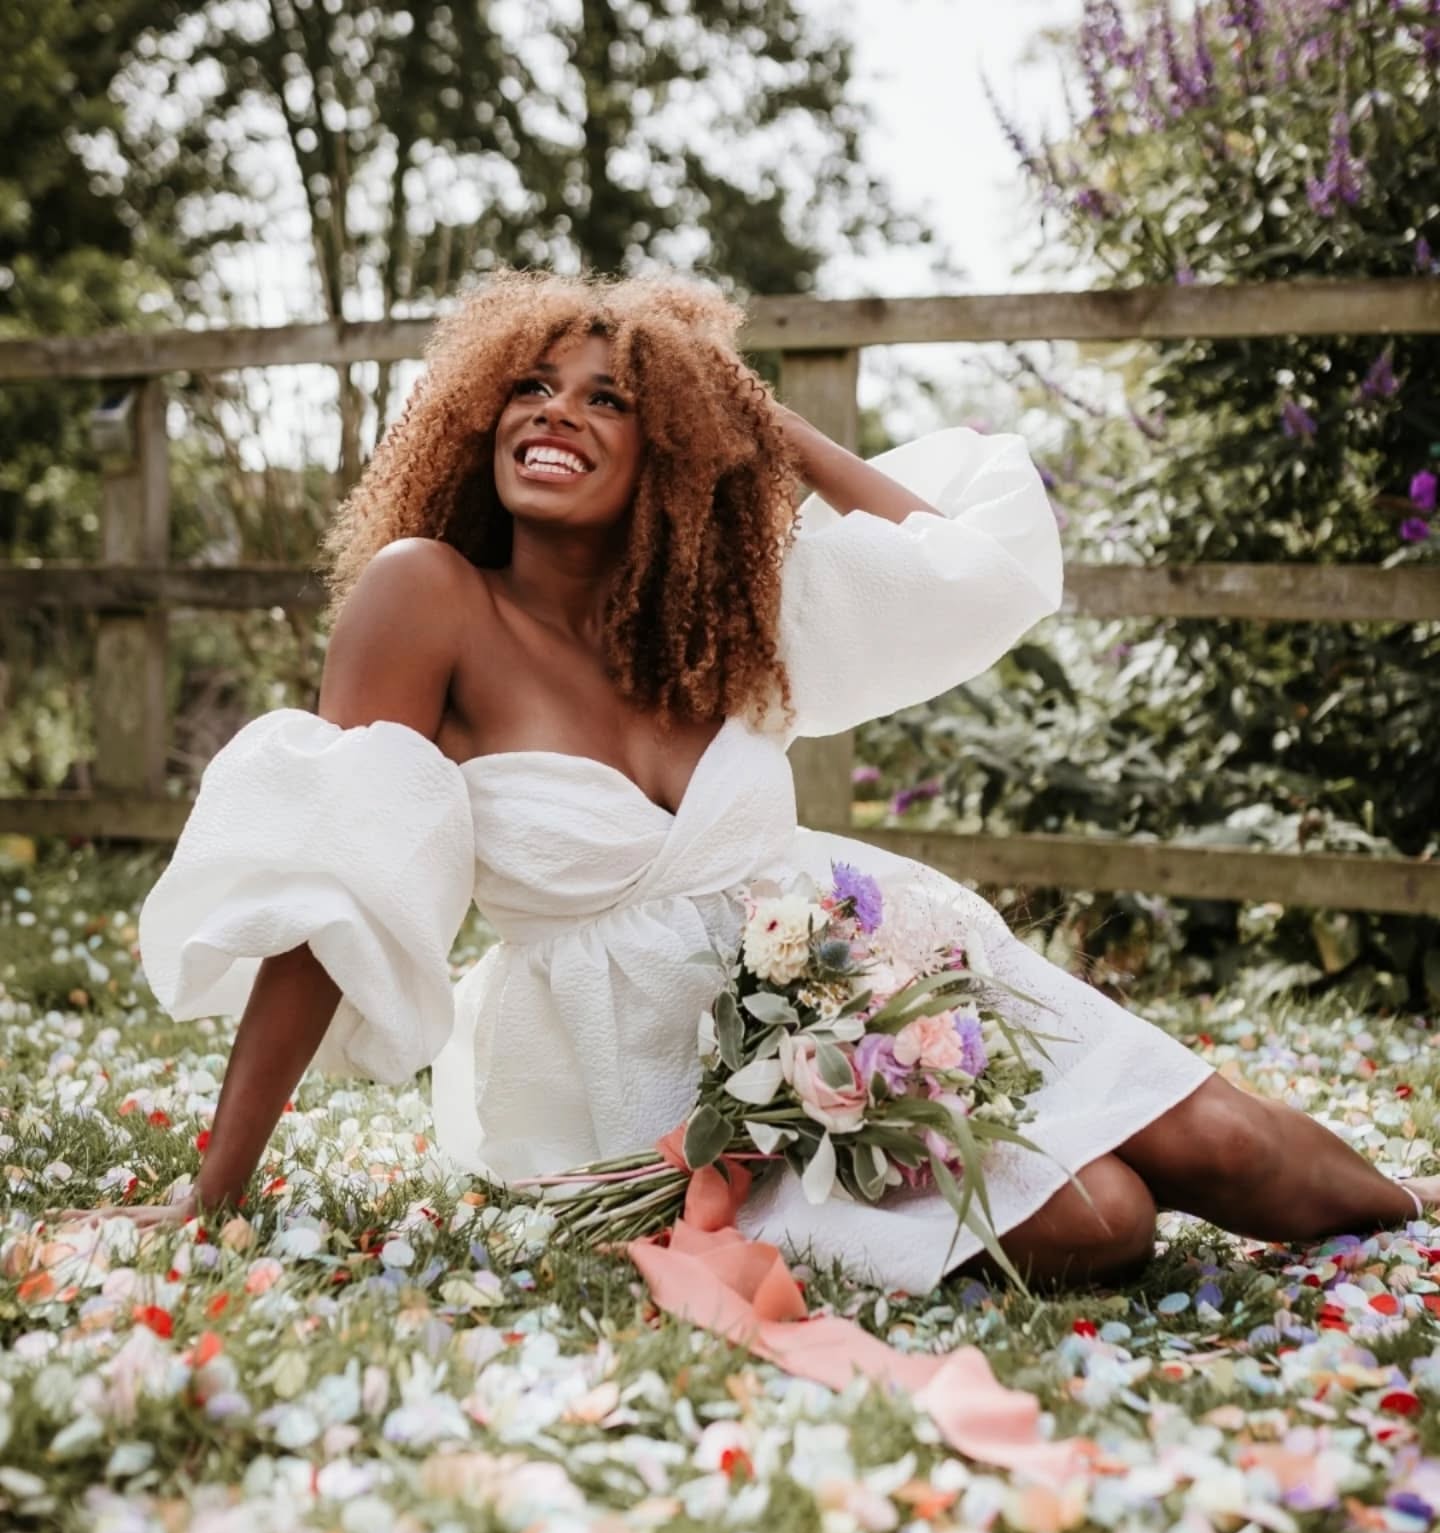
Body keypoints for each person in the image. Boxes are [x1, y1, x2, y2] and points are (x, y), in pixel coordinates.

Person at [125, 270, 1433, 1293]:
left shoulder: (711, 608)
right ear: (476, 421)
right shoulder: (430, 598)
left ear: (672, 448)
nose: (556, 411)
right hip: (654, 1073)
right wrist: (219, 1185)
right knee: (1105, 1218)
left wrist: (757, 420)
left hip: (841, 960)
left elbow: (969, 564)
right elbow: (329, 892)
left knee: (1241, 1155)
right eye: (528, 386)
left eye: (610, 397)